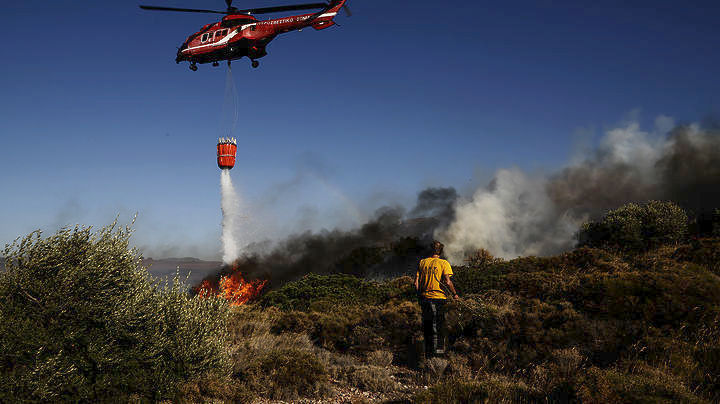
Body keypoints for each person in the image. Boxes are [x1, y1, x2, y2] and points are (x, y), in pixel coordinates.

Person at [415, 240, 459, 359]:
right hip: (438, 299)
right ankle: (438, 356)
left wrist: (420, 296)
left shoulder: (422, 262)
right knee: (439, 326)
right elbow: (448, 281)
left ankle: (429, 355)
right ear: (441, 251)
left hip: (424, 299)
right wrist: (455, 294)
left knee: (427, 326)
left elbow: (416, 283)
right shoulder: (444, 263)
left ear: (430, 250)